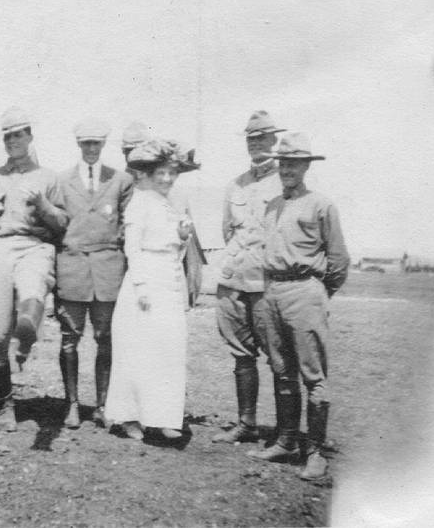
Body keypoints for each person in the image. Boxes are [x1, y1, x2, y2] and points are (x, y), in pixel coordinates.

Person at [247, 132, 349, 481]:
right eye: (283, 163)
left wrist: (318, 294)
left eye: (294, 163)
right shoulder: (273, 205)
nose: (287, 169)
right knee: (281, 370)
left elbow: (338, 260)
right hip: (273, 290)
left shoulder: (321, 204)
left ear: (306, 166)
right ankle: (287, 441)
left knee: (313, 376)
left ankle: (316, 452)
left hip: (305, 291)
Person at [0, 107, 69, 432]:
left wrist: (43, 205)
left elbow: (61, 224)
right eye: (8, 136)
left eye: (19, 134)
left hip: (34, 244)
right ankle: (5, 403)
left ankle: (26, 331)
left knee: (33, 283)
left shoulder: (48, 177)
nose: (14, 140)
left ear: (30, 135)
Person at [104, 139, 197, 440]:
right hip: (144, 281)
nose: (167, 179)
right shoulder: (140, 201)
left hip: (169, 280)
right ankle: (129, 417)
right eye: (162, 173)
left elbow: (176, 249)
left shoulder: (173, 203)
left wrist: (182, 237)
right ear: (150, 174)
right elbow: (133, 247)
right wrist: (141, 285)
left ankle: (162, 417)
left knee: (167, 348)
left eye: (172, 174)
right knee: (138, 350)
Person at [55, 118, 134, 429]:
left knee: (106, 338)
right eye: (85, 143)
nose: (90, 149)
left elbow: (128, 229)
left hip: (107, 272)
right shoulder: (62, 181)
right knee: (69, 339)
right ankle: (72, 404)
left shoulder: (120, 180)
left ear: (103, 145)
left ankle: (103, 404)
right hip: (73, 269)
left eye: (96, 144)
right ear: (78, 144)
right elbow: (55, 226)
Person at [212, 111, 285, 444]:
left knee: (280, 358)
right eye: (250, 138)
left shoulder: (286, 181)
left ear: (275, 140)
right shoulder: (236, 184)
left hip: (268, 283)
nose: (256, 143)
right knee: (241, 354)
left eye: (262, 137)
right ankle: (247, 423)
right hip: (236, 279)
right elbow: (228, 231)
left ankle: (287, 433)